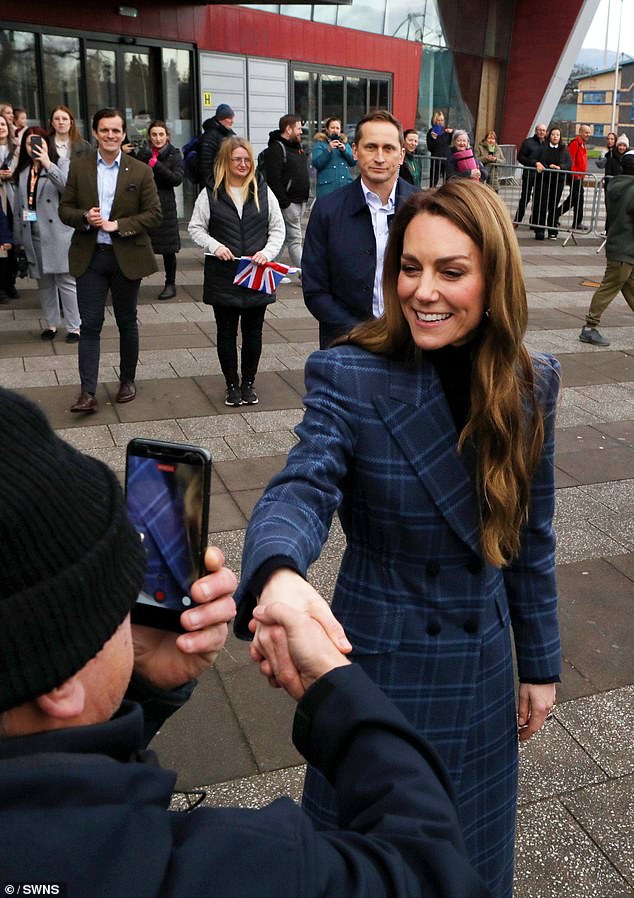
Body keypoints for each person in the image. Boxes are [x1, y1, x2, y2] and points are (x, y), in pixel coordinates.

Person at [0, 386, 490, 898]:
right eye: (116, 600)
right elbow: (431, 872)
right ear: (58, 685)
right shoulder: (228, 870)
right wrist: (335, 683)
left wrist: (141, 683)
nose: (130, 613)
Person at [235, 180, 560, 898]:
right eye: (410, 268)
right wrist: (279, 572)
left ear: (494, 278)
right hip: (383, 670)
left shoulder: (530, 383)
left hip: (481, 672)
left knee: (469, 866)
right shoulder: (351, 373)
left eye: (451, 271)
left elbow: (531, 538)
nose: (423, 291)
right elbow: (302, 483)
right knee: (369, 872)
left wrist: (538, 665)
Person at [59, 107, 162, 414]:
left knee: (126, 321)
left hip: (126, 257)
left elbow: (155, 214)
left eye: (116, 130)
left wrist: (121, 225)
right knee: (89, 324)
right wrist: (84, 218)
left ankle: (127, 380)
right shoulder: (79, 168)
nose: (110, 135)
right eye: (104, 130)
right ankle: (87, 392)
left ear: (123, 133)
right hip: (90, 257)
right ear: (95, 133)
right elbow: (65, 210)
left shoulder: (140, 170)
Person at [302, 109, 419, 349]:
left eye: (388, 148)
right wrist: (362, 333)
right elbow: (315, 289)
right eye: (371, 147)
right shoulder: (327, 210)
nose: (379, 157)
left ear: (401, 155)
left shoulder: (425, 208)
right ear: (355, 151)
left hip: (411, 343)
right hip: (347, 343)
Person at [188, 136, 284, 407]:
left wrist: (266, 253)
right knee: (226, 333)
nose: (243, 164)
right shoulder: (211, 192)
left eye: (246, 159)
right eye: (237, 159)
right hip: (224, 275)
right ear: (226, 162)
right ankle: (231, 384)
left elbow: (278, 228)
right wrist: (215, 245)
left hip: (256, 273)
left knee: (254, 333)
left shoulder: (263, 191)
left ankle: (248, 383)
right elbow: (196, 227)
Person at [12, 127, 81, 342]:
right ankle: (51, 324)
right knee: (43, 283)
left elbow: (67, 189)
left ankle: (74, 327)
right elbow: (19, 207)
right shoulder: (23, 171)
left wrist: (47, 164)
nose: (33, 147)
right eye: (28, 143)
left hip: (57, 233)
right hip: (33, 233)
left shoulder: (60, 164)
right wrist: (18, 238)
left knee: (66, 282)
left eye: (39, 142)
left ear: (46, 144)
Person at [579, 150, 634, 348]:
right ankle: (589, 327)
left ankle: (589, 327)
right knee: (608, 287)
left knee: (631, 287)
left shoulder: (616, 184)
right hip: (625, 249)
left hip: (620, 246)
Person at [135, 119, 184, 300]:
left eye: (161, 134)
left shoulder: (174, 154)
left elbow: (176, 179)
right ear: (149, 136)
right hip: (144, 205)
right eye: (154, 135)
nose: (157, 138)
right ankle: (134, 282)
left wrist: (157, 165)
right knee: (139, 245)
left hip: (165, 206)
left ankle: (170, 284)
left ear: (167, 136)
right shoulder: (142, 154)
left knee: (168, 249)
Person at [259, 113, 309, 279]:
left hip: (299, 202)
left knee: (283, 239)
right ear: (288, 129)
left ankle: (266, 270)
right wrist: (285, 203)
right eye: (298, 128)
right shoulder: (276, 149)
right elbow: (273, 180)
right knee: (295, 239)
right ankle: (308, 276)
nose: (301, 131)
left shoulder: (296, 148)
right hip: (288, 203)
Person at [531, 127, 571, 240]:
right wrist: (537, 163)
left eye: (557, 135)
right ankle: (540, 230)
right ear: (549, 136)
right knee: (542, 204)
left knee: (553, 206)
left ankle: (552, 230)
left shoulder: (564, 149)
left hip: (557, 182)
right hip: (544, 180)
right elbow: (532, 159)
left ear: (560, 137)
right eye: (553, 134)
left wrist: (559, 167)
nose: (555, 137)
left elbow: (568, 164)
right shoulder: (543, 148)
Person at [556, 123, 591, 230]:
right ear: (580, 132)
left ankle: (556, 215)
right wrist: (575, 175)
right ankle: (575, 221)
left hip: (579, 176)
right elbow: (570, 161)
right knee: (577, 198)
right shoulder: (575, 143)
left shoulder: (582, 144)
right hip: (575, 177)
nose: (588, 134)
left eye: (589, 133)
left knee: (574, 199)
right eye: (586, 132)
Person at [311, 117, 356, 198]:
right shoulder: (320, 143)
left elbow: (353, 161)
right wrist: (328, 150)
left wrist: (344, 151)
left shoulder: (345, 143)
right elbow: (317, 163)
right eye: (332, 128)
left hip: (344, 187)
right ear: (327, 129)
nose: (335, 130)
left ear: (340, 130)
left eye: (337, 128)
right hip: (327, 189)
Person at [0, 112, 19, 299]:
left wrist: (11, 175)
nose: (0, 128)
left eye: (3, 125)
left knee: (14, 241)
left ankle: (10, 282)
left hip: (14, 199)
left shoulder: (17, 149)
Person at [513, 123, 547, 226]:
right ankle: (517, 220)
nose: (541, 132)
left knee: (538, 199)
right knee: (525, 198)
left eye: (543, 130)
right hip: (529, 175)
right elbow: (521, 157)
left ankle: (534, 222)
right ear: (536, 131)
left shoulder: (547, 144)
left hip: (542, 177)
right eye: (539, 130)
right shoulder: (528, 143)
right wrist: (534, 163)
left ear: (546, 132)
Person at [196, 102, 235, 188]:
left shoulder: (226, 134)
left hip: (224, 182)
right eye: (229, 118)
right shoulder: (210, 136)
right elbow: (205, 166)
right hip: (214, 184)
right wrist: (212, 186)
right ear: (221, 119)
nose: (233, 121)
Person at [426, 110, 453, 186]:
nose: (440, 122)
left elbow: (456, 139)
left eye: (442, 120)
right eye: (438, 120)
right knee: (434, 181)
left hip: (447, 159)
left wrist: (453, 132)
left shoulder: (447, 131)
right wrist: (434, 139)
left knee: (448, 181)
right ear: (435, 120)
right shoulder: (431, 132)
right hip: (436, 160)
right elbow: (430, 148)